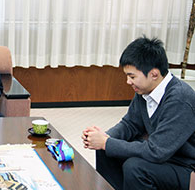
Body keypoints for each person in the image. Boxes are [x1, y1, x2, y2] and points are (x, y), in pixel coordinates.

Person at [82, 36, 195, 190]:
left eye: (132, 76)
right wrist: (104, 137)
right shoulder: (145, 90)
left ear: (154, 74)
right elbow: (130, 124)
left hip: (185, 165)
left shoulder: (180, 99)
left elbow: (157, 151)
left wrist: (107, 143)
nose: (128, 82)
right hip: (165, 155)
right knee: (106, 151)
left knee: (135, 167)